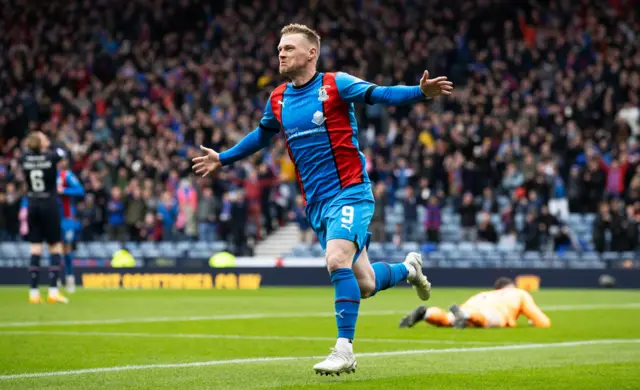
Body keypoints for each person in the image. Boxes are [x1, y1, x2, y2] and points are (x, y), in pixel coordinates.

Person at [192, 23, 453, 375]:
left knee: (335, 260)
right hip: (316, 204)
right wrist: (222, 158)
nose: (280, 53)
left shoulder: (335, 84)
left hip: (350, 191)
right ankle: (409, 269)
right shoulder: (278, 99)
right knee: (364, 285)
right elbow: (260, 136)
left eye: (289, 48)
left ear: (311, 53)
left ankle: (344, 350)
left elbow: (381, 94)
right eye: (279, 48)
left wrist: (420, 93)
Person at [19, 131, 69, 304]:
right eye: (43, 137)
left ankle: (33, 293)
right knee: (55, 246)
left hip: (32, 203)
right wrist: (51, 144)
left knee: (35, 248)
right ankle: (53, 292)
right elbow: (63, 151)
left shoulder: (24, 158)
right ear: (40, 143)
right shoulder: (52, 156)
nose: (47, 138)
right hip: (49, 203)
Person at [398, 277, 551, 329]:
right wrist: (535, 322)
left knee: (447, 319)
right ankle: (465, 315)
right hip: (494, 312)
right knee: (484, 319)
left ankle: (427, 314)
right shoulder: (518, 293)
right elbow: (542, 320)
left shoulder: (484, 293)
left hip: (471, 305)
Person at [57, 162, 86, 293]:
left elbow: (80, 190)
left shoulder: (66, 175)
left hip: (67, 218)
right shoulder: (47, 174)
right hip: (52, 217)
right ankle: (55, 279)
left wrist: (64, 190)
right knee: (54, 248)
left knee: (67, 247)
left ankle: (69, 278)